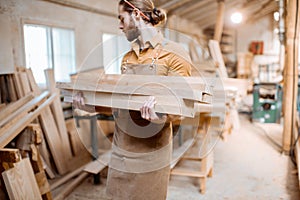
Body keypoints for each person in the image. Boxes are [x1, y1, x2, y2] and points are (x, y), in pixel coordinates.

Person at [74, 0, 192, 199]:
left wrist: (159, 116)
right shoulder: (128, 58)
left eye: (122, 18)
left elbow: (184, 105)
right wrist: (91, 106)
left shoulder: (174, 53)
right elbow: (122, 104)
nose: (119, 26)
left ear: (137, 14)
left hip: (150, 152)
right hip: (121, 148)